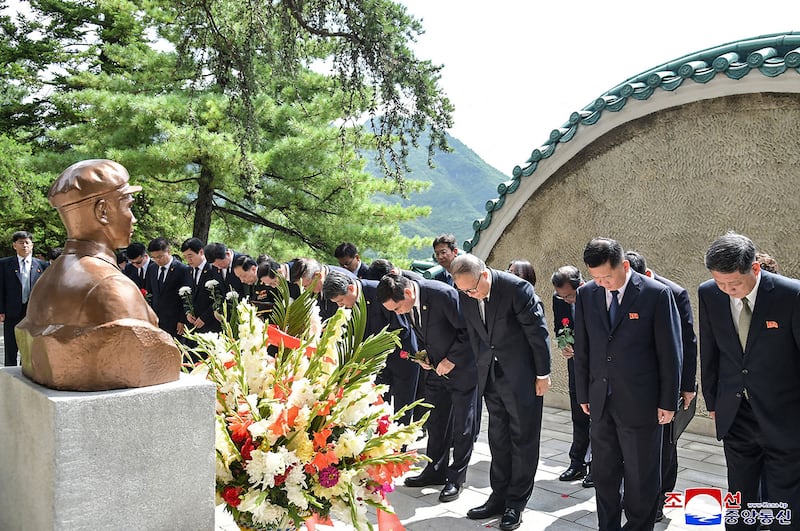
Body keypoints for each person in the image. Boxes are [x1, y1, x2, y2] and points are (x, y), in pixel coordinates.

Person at [16, 159, 180, 390]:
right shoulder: (111, 287)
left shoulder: (47, 279)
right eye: (128, 206)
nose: (133, 218)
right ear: (102, 211)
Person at [573, 237, 682, 531]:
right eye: (595, 277)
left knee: (641, 475)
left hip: (642, 402)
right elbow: (583, 349)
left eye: (607, 276)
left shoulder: (655, 294)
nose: (602, 283)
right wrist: (583, 392)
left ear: (624, 265)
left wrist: (668, 402)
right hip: (600, 399)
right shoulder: (586, 294)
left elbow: (670, 353)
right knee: (604, 473)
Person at [699, 232, 800, 531]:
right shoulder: (709, 293)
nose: (728, 290)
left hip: (784, 415)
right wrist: (713, 400)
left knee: (785, 499)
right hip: (736, 412)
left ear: (754, 269)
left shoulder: (790, 295)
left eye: (735, 283)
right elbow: (711, 350)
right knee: (740, 494)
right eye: (721, 283)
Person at [451, 254, 551, 531]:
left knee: (523, 439)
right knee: (498, 438)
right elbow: (474, 334)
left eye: (472, 289)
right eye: (463, 291)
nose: (470, 295)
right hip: (491, 377)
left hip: (522, 377)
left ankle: (516, 503)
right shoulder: (465, 292)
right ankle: (498, 496)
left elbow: (537, 333)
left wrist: (543, 374)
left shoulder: (517, 289)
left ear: (484, 275)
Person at [377, 273, 478, 504]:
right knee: (435, 421)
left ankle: (456, 478)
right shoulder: (407, 302)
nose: (398, 313)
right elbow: (424, 333)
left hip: (461, 369)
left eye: (399, 308)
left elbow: (468, 331)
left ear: (409, 293)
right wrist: (423, 355)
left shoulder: (442, 294)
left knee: (462, 426)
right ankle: (435, 470)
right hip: (434, 370)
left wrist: (451, 359)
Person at [626, 250, 698, 522]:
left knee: (666, 444)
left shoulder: (673, 293)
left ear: (644, 275)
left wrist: (686, 385)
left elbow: (687, 342)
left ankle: (660, 499)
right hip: (633, 385)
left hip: (665, 382)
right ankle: (637, 495)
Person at [322, 270, 419, 425]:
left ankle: (400, 447)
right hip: (373, 362)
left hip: (400, 356)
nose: (340, 305)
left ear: (351, 288)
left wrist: (376, 349)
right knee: (376, 406)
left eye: (341, 300)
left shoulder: (378, 292)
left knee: (403, 407)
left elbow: (400, 328)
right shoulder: (346, 303)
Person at [550, 265, 593, 488]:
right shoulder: (559, 299)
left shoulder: (594, 295)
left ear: (581, 285)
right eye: (561, 296)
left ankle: (597, 465)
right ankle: (577, 462)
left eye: (569, 295)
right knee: (578, 412)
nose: (566, 300)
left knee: (599, 417)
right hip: (575, 365)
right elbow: (560, 327)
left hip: (597, 367)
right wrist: (564, 345)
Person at [0, 231, 48, 366]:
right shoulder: (4, 264)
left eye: (27, 242)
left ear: (32, 245)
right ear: (14, 245)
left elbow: (45, 291)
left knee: (29, 345)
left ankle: (25, 369)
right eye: (21, 243)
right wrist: (1, 309)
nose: (24, 246)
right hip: (12, 310)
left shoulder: (42, 266)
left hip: (32, 312)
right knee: (11, 346)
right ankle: (10, 374)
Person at [145, 237, 191, 341]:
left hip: (175, 321)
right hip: (157, 320)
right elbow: (150, 293)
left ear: (168, 251)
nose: (157, 260)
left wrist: (182, 320)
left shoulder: (182, 269)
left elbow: (186, 297)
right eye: (154, 258)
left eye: (160, 256)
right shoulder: (152, 268)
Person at [180, 237, 223, 340]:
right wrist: (187, 312)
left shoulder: (214, 268)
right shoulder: (188, 270)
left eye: (190, 256)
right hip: (192, 324)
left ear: (201, 252)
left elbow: (219, 297)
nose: (188, 260)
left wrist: (205, 317)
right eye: (185, 257)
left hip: (210, 325)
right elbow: (187, 294)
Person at [290, 257, 356, 321]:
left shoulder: (342, 282)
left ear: (318, 276)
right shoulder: (317, 284)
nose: (306, 290)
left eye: (306, 286)